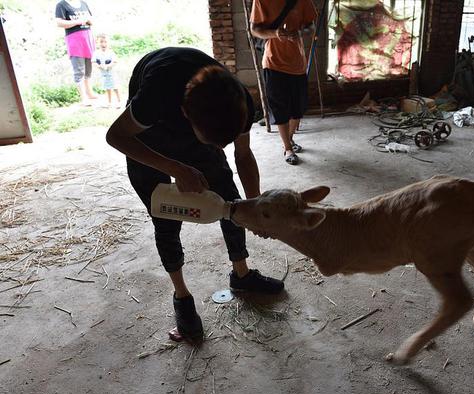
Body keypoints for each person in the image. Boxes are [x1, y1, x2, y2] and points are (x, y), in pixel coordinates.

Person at [106, 47, 284, 344]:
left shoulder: (238, 101)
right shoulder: (156, 96)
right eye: (215, 144)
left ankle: (241, 275)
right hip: (144, 140)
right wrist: (175, 167)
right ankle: (182, 298)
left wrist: (256, 206)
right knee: (165, 216)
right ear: (186, 115)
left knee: (231, 201)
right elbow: (116, 136)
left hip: (200, 124)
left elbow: (243, 153)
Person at [251, 0, 317, 165]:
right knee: (280, 107)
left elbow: (311, 26)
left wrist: (301, 33)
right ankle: (288, 148)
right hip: (273, 62)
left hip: (297, 64)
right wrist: (275, 33)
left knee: (298, 108)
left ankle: (291, 139)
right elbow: (255, 29)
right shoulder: (261, 1)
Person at [55, 0, 97, 106]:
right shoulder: (61, 5)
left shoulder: (83, 3)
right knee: (79, 70)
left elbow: (91, 19)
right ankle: (84, 98)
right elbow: (59, 23)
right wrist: (78, 21)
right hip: (74, 39)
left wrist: (88, 20)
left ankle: (90, 92)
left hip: (87, 37)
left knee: (88, 68)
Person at [93, 34, 121, 107]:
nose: (103, 44)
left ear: (108, 43)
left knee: (115, 87)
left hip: (112, 73)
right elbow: (93, 62)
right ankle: (109, 102)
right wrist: (99, 66)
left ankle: (119, 101)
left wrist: (108, 66)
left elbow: (114, 61)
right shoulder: (96, 53)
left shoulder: (111, 52)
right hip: (104, 74)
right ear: (98, 43)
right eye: (101, 42)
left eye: (105, 42)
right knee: (107, 87)